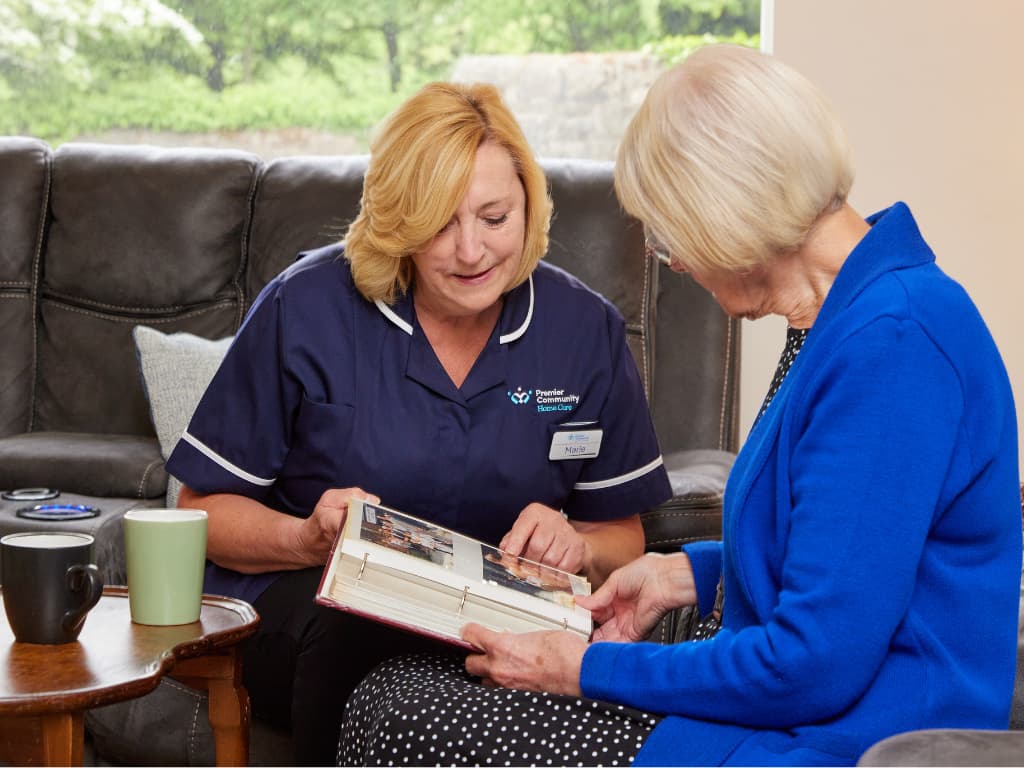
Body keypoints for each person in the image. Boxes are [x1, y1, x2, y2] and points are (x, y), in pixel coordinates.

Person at [337, 44, 1023, 767]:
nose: (671, 259)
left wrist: (582, 670)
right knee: (394, 692)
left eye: (667, 232)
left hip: (836, 743)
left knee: (406, 718)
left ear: (727, 208)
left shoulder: (892, 345)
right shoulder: (846, 315)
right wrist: (688, 572)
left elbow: (812, 664)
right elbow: (853, 557)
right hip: (795, 718)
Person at [164, 81, 672, 765]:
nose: (471, 252)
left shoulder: (585, 331)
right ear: (398, 221)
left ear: (530, 205)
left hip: (488, 611)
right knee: (347, 633)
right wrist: (304, 537)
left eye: (495, 218)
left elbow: (625, 539)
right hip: (312, 604)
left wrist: (578, 546)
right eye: (439, 223)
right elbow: (202, 511)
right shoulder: (305, 306)